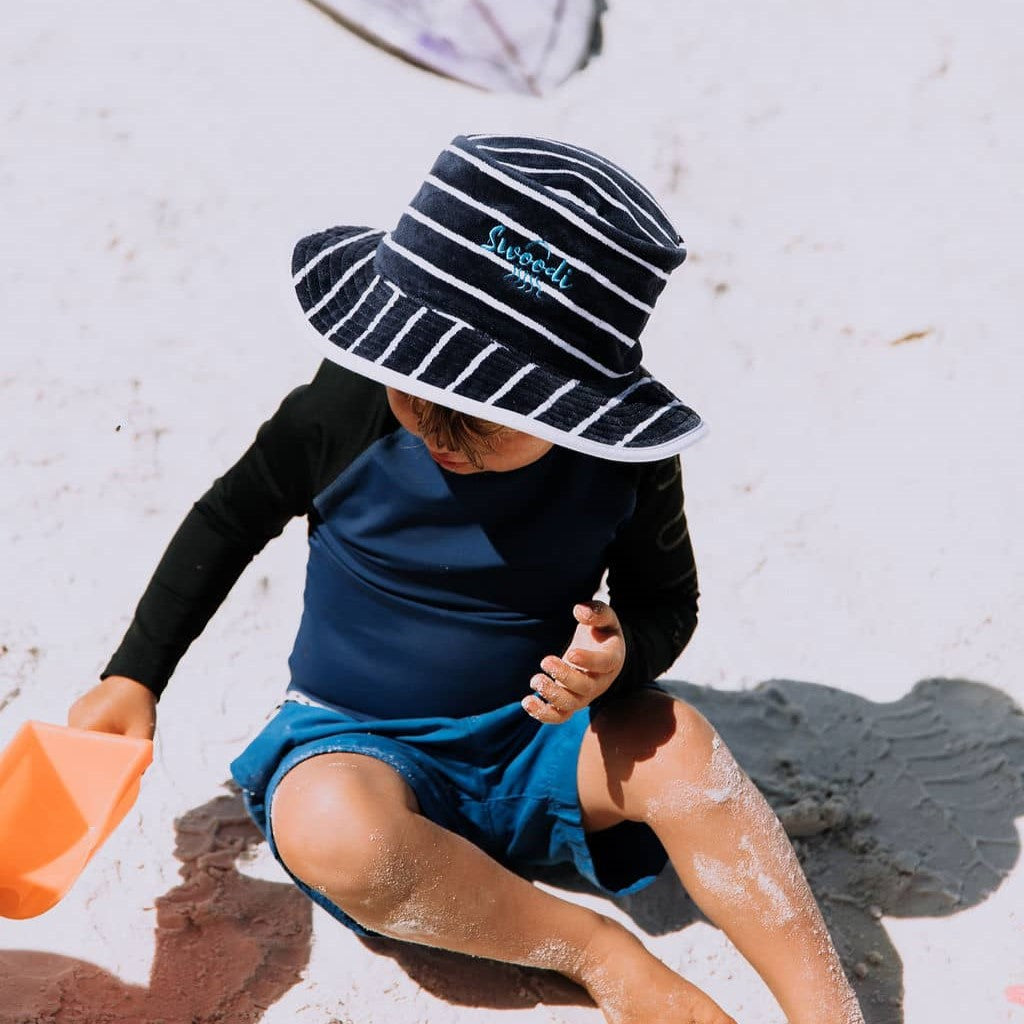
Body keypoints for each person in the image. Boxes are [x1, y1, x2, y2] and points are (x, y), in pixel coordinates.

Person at [68, 134, 864, 1024]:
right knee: (327, 829)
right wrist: (134, 673)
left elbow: (666, 601)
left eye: (491, 421)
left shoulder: (622, 466)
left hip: (538, 740)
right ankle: (596, 953)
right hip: (362, 741)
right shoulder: (346, 405)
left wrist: (618, 655)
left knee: (682, 748)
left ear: (578, 408)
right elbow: (229, 517)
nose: (444, 437)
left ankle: (828, 1011)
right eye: (419, 396)